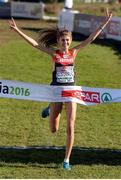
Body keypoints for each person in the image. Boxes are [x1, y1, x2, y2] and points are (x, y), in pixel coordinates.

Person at [9, 9, 112, 170]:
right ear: (58, 41)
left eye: (67, 40)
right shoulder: (54, 54)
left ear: (70, 41)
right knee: (53, 129)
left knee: (71, 126)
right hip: (56, 92)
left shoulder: (74, 52)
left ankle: (66, 160)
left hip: (71, 93)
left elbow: (90, 38)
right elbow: (35, 44)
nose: (65, 42)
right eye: (62, 40)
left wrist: (104, 23)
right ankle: (50, 108)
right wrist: (18, 30)